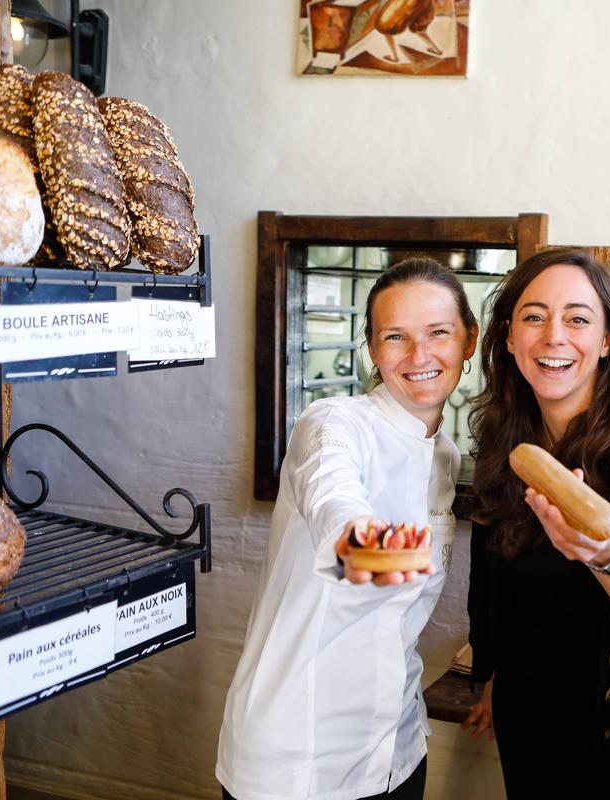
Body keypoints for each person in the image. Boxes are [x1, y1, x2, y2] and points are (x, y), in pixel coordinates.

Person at [216, 257, 478, 800]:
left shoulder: (444, 458)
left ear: (469, 342)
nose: (420, 355)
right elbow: (344, 525)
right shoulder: (333, 424)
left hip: (397, 745)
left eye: (438, 333)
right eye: (395, 337)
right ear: (373, 349)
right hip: (299, 753)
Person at [461, 247, 610, 799]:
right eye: (533, 316)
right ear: (507, 336)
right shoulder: (503, 437)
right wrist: (490, 673)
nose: (554, 336)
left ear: (606, 341)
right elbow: (490, 579)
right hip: (526, 706)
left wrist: (604, 553)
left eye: (577, 318)